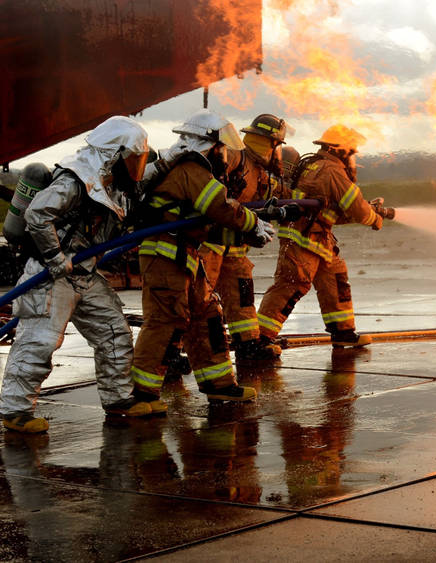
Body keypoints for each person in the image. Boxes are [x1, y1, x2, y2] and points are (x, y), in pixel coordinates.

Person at [1, 116, 155, 433]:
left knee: (114, 332)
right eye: (132, 158)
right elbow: (38, 214)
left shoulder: (113, 186)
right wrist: (56, 257)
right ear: (115, 153)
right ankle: (15, 411)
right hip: (50, 274)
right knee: (39, 343)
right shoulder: (75, 180)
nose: (134, 165)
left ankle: (118, 400)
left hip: (83, 273)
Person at [130, 109, 271, 410]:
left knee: (206, 314)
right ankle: (142, 394)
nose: (224, 154)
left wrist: (249, 232)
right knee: (165, 320)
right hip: (164, 256)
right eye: (221, 147)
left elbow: (211, 223)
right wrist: (252, 223)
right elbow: (218, 205)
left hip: (184, 256)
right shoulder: (190, 168)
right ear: (210, 144)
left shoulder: (190, 168)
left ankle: (220, 385)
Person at [256, 125, 383, 351]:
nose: (353, 157)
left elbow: (332, 212)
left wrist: (368, 211)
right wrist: (373, 217)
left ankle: (343, 332)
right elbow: (357, 208)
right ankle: (260, 339)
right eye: (351, 152)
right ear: (339, 150)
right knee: (291, 285)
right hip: (303, 239)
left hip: (318, 239)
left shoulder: (314, 165)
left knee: (335, 278)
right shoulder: (331, 170)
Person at [198, 114, 287, 361]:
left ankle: (248, 345)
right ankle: (170, 353)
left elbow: (277, 195)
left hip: (234, 248)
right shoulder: (235, 156)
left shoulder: (261, 171)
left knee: (242, 295)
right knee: (194, 300)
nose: (277, 151)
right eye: (277, 145)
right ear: (270, 142)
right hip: (209, 244)